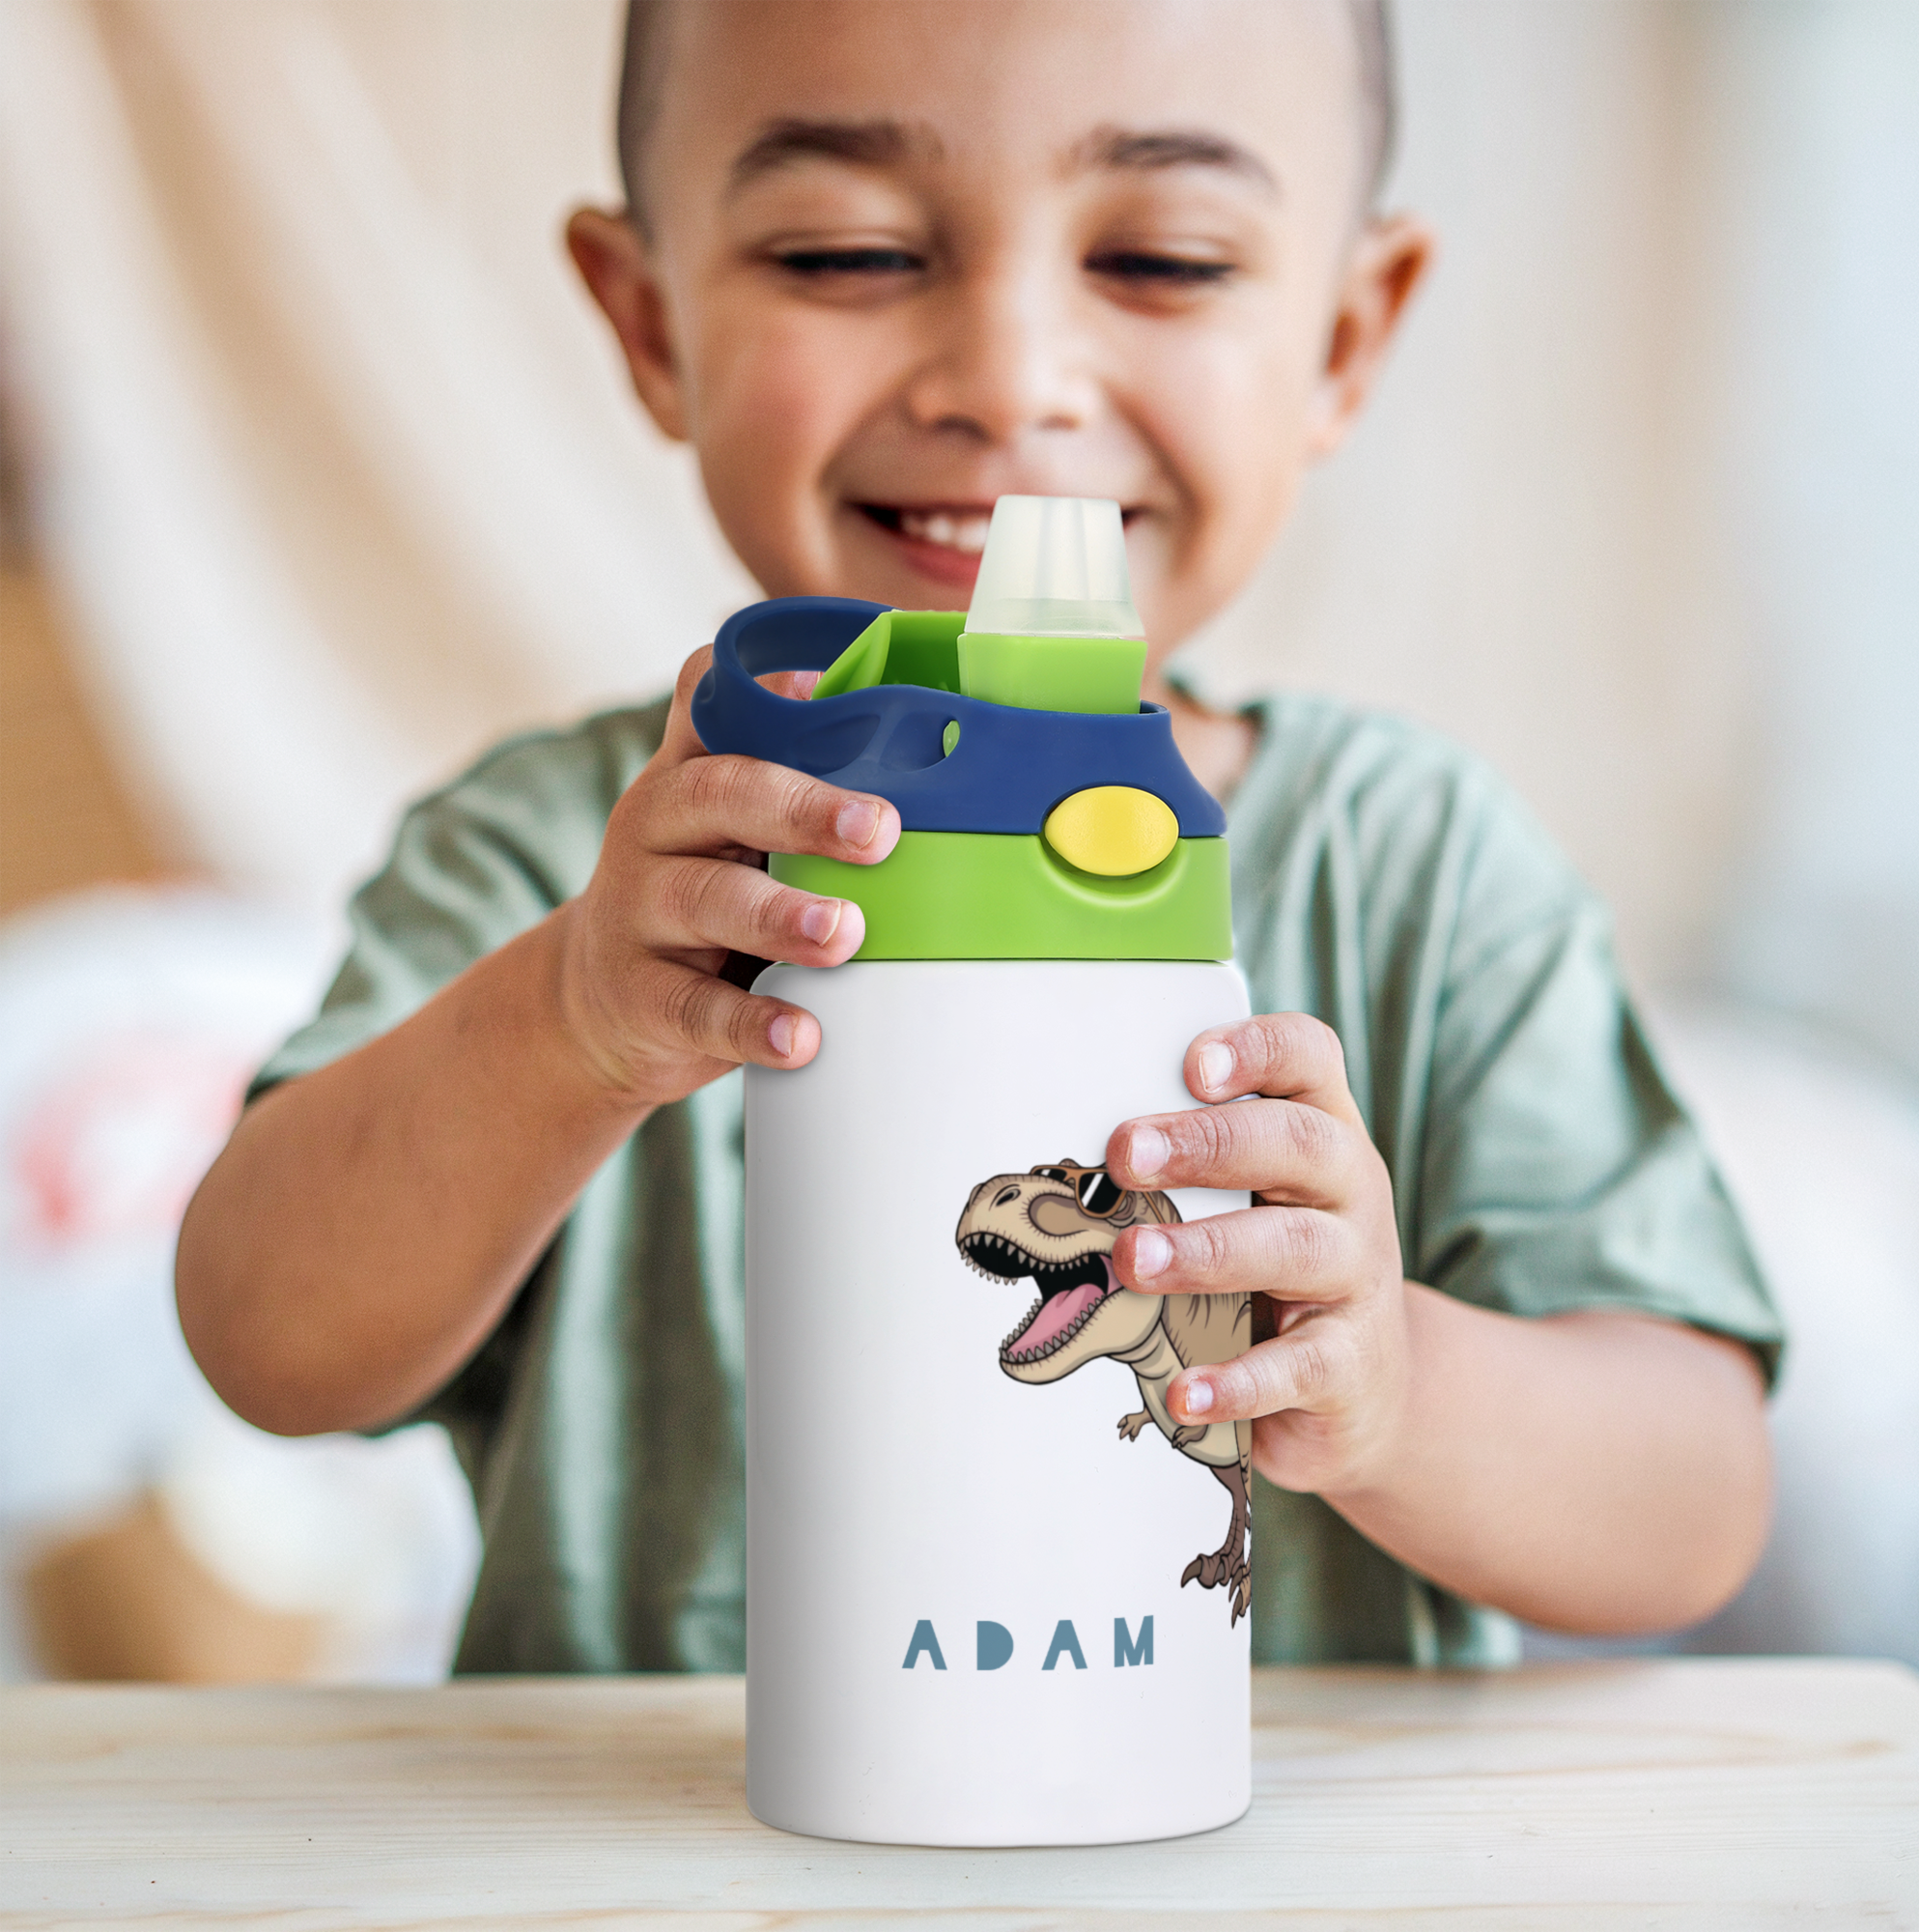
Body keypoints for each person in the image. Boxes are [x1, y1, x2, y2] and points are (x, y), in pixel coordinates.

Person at [177, 0, 1782, 1673]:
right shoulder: (566, 861)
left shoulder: (1419, 876)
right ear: (651, 323)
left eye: (1161, 260)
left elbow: (1696, 1501)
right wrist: (568, 1025)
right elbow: (263, 1342)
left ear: (1346, 338)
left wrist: (1395, 1390)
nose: (1009, 382)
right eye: (850, 251)